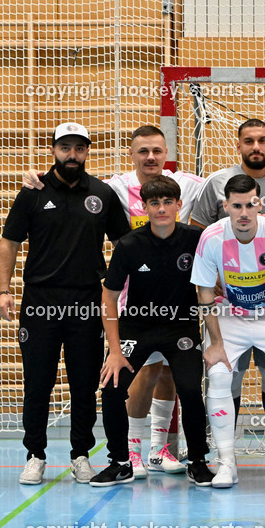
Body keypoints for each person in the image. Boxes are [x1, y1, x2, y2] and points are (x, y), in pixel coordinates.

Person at [0, 122, 130, 485]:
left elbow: (125, 244)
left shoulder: (102, 193)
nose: (72, 155)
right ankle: (35, 455)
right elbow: (9, 242)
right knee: (37, 383)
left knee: (84, 384)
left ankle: (80, 455)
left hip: (86, 301)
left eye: (79, 148)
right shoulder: (33, 191)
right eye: (65, 148)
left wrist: (128, 289)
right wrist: (3, 290)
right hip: (40, 301)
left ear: (87, 151)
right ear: (53, 150)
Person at [189, 119, 265, 473]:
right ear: (226, 206)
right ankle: (226, 459)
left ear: (259, 204)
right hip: (229, 312)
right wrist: (216, 343)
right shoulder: (211, 230)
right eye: (237, 207)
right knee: (221, 375)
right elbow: (204, 291)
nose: (244, 213)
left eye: (250, 205)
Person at [92, 177, 214, 486]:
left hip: (180, 326)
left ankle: (198, 461)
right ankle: (120, 462)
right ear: (144, 207)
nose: (161, 209)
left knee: (190, 389)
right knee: (112, 388)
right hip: (137, 325)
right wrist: (115, 351)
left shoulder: (195, 239)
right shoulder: (129, 245)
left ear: (179, 205)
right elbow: (109, 297)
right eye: (154, 203)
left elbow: (214, 278)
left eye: (167, 202)